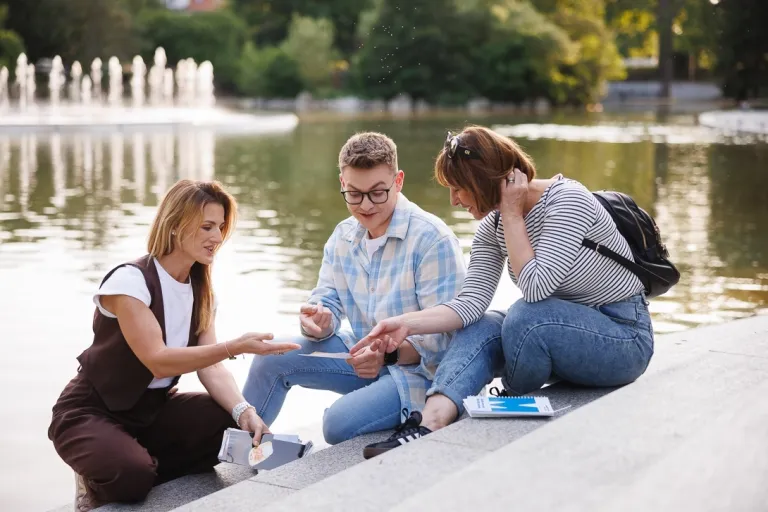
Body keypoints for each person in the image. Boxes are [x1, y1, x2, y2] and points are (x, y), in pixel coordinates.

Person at [353, 125, 655, 457]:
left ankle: (509, 396)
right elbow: (469, 303)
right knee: (482, 324)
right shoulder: (492, 227)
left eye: (458, 189)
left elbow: (536, 289)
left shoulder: (568, 201)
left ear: (482, 180)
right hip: (554, 331)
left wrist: (512, 212)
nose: (454, 201)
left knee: (525, 315)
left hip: (623, 338)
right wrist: (407, 323)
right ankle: (429, 422)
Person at [48, 180, 300, 511]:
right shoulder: (130, 283)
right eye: (207, 226)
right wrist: (234, 345)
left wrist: (244, 411)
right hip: (90, 410)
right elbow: (158, 361)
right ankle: (103, 473)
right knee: (132, 476)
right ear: (176, 225)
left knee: (224, 423)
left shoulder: (202, 292)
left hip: (151, 412)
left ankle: (133, 457)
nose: (218, 237)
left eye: (221, 227)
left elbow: (210, 365)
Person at [242, 132, 466, 447]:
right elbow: (326, 300)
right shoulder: (343, 235)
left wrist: (387, 356)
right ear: (342, 183)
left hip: (420, 375)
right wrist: (318, 321)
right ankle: (235, 448)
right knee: (271, 358)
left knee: (336, 425)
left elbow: (446, 341)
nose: (365, 205)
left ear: (398, 181)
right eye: (354, 194)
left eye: (377, 193)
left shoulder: (433, 239)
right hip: (360, 354)